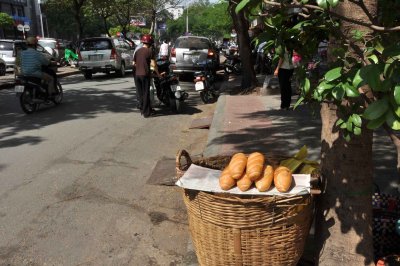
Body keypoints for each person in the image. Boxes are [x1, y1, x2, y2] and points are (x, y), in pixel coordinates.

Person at [132, 34, 160, 118]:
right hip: (145, 75)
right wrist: (158, 74)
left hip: (137, 75)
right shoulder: (149, 51)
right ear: (150, 43)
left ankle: (143, 109)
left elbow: (134, 63)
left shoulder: (137, 51)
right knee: (146, 93)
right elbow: (153, 64)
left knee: (140, 94)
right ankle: (146, 112)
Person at [274, 46, 294, 110]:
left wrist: (277, 69)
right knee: (288, 86)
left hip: (283, 69)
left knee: (283, 87)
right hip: (291, 69)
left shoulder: (282, 48)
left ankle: (283, 105)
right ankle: (287, 104)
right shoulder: (292, 49)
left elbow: (281, 59)